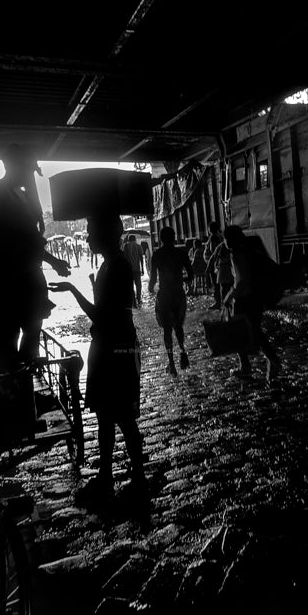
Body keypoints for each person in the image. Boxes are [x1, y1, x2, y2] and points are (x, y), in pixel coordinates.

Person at [49, 214, 146, 506]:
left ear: (105, 235)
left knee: (122, 418)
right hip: (112, 345)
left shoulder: (115, 267)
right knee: (107, 415)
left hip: (114, 348)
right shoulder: (111, 265)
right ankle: (108, 476)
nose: (88, 238)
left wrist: (74, 290)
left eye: (92, 232)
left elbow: (101, 315)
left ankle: (133, 479)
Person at [0, 144, 71, 362]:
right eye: (27, 169)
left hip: (29, 276)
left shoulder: (22, 197)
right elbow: (11, 238)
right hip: (8, 278)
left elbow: (29, 239)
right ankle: (18, 376)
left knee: (32, 332)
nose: (29, 175)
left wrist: (51, 260)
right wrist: (51, 260)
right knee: (9, 336)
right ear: (10, 166)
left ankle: (25, 373)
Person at [221, 225, 281, 381]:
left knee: (238, 332)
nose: (224, 242)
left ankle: (249, 365)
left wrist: (230, 296)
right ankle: (270, 360)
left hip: (245, 299)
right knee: (255, 330)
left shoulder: (236, 254)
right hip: (256, 297)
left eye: (225, 238)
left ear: (229, 239)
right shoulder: (249, 250)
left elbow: (242, 280)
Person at [148, 226, 193, 376]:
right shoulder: (181, 253)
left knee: (167, 329)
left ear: (160, 239)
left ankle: (172, 364)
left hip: (165, 295)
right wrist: (181, 280)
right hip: (178, 294)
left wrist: (150, 288)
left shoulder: (157, 255)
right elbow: (191, 274)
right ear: (174, 238)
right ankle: (182, 352)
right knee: (178, 326)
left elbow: (153, 279)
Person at [204, 222, 233, 310]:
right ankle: (224, 302)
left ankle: (219, 302)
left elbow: (213, 253)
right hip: (219, 265)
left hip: (216, 266)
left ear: (210, 229)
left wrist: (209, 268)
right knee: (223, 285)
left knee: (218, 284)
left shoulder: (213, 237)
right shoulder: (219, 236)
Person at [122, 234, 145, 307]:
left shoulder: (126, 246)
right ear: (135, 239)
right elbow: (141, 258)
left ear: (129, 240)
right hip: (137, 269)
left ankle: (133, 302)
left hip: (129, 270)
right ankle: (139, 299)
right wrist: (142, 269)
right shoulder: (139, 246)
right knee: (138, 285)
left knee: (130, 286)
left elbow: (124, 258)